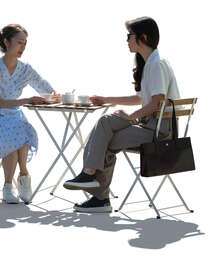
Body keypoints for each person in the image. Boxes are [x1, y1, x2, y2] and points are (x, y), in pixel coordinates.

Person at [63, 17, 181, 213]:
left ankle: (98, 194)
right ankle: (91, 179)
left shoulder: (157, 64)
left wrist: (132, 117)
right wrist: (106, 99)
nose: (127, 40)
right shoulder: (151, 62)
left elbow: (157, 102)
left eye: (129, 36)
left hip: (159, 131)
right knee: (106, 123)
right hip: (151, 124)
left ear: (142, 37)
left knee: (106, 137)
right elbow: (141, 98)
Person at [0, 24, 61, 204]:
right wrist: (26, 101)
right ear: (6, 42)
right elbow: (0, 103)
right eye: (19, 43)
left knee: (20, 127)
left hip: (13, 117)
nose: (23, 48)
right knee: (16, 130)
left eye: (25, 43)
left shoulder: (25, 69)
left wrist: (54, 95)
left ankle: (22, 177)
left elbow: (43, 86)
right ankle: (13, 182)